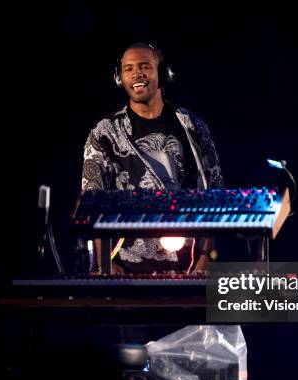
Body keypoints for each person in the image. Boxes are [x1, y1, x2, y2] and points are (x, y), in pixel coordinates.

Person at [81, 42, 224, 274]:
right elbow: (93, 202)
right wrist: (104, 263)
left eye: (145, 66)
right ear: (119, 78)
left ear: (163, 73)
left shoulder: (192, 126)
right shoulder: (105, 132)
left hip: (187, 266)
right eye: (128, 69)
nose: (137, 74)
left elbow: (214, 193)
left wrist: (206, 256)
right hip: (125, 265)